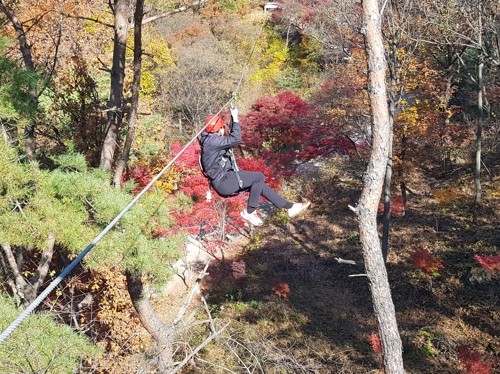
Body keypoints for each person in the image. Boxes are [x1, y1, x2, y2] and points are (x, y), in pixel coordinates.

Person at [199, 106, 310, 226]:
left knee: (259, 185)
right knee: (259, 177)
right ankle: (249, 212)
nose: (223, 131)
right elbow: (235, 139)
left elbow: (229, 137)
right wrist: (236, 118)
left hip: (225, 181)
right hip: (224, 182)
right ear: (218, 129)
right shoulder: (212, 142)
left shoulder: (209, 140)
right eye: (222, 128)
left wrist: (232, 116)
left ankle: (289, 207)